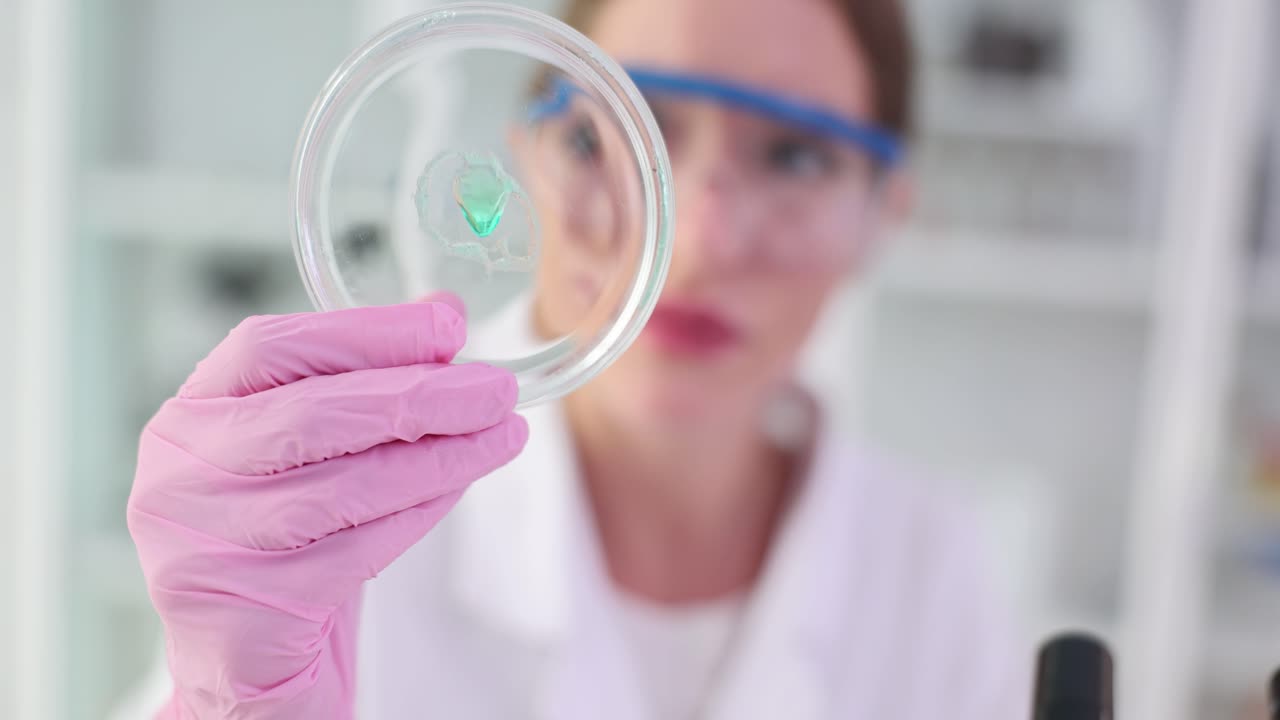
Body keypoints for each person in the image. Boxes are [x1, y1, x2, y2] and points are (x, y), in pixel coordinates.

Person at [122, 0, 1028, 717]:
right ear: (526, 159)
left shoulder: (932, 569)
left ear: (883, 216)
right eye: (611, 136)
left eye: (793, 157)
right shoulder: (328, 529)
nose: (697, 239)